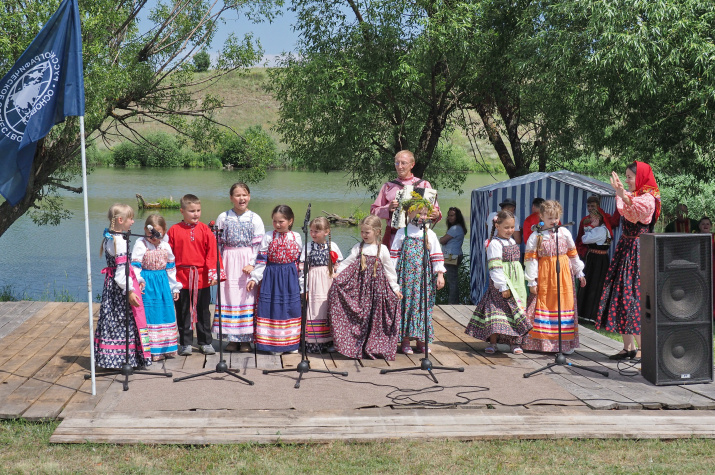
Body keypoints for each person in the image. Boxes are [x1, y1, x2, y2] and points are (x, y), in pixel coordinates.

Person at [596, 161, 661, 360]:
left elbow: (635, 211)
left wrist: (622, 194)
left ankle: (643, 348)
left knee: (633, 296)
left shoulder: (648, 199)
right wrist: (622, 194)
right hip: (626, 248)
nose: (626, 180)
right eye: (625, 177)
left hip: (639, 251)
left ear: (640, 177)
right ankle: (628, 347)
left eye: (630, 177)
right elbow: (627, 205)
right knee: (620, 293)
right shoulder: (634, 196)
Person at [327, 215, 403, 360]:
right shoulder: (359, 247)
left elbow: (390, 271)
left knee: (374, 318)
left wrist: (395, 289)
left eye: (367, 232)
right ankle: (350, 345)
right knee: (359, 317)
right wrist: (338, 273)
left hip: (377, 290)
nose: (364, 235)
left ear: (377, 232)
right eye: (362, 232)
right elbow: (347, 262)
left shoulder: (382, 249)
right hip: (360, 289)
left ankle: (372, 346)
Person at [523, 200, 586, 353]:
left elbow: (573, 254)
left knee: (564, 304)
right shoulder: (536, 235)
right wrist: (532, 281)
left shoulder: (564, 233)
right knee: (544, 304)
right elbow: (531, 260)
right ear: (541, 217)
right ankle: (542, 343)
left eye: (556, 217)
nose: (553, 221)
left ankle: (564, 344)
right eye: (550, 218)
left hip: (563, 274)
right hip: (545, 274)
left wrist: (579, 272)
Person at [465, 210, 532, 354]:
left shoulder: (512, 241)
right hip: (501, 282)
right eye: (506, 227)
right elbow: (495, 266)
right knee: (496, 312)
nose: (510, 230)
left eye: (512, 227)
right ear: (497, 226)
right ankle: (493, 343)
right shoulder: (495, 244)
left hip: (516, 281)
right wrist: (502, 286)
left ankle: (514, 343)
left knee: (516, 311)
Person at [94, 204, 152, 369]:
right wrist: (130, 290)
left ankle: (112, 357)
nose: (133, 222)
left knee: (114, 319)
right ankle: (124, 359)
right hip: (121, 287)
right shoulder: (118, 241)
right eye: (130, 218)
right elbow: (121, 272)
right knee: (123, 320)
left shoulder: (112, 237)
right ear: (120, 220)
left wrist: (137, 278)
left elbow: (126, 266)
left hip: (113, 285)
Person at [391, 192, 446, 355]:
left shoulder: (429, 234)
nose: (423, 217)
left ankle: (422, 340)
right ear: (409, 213)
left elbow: (436, 255)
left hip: (423, 279)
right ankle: (405, 341)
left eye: (425, 214)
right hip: (405, 279)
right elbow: (394, 257)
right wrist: (392, 279)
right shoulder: (402, 233)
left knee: (423, 306)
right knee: (406, 306)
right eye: (419, 213)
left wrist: (440, 274)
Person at [167, 194, 221, 357]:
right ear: (182, 211)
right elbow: (168, 255)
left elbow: (212, 253)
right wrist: (169, 277)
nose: (196, 214)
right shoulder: (174, 230)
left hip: (201, 277)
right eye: (192, 211)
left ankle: (205, 341)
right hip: (181, 278)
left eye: (198, 210)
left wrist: (213, 274)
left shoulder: (205, 230)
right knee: (183, 310)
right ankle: (185, 343)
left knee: (203, 310)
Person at [213, 183, 264, 352]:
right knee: (228, 296)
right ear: (231, 198)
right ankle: (232, 339)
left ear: (249, 196)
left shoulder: (255, 218)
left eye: (244, 195)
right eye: (237, 195)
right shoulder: (223, 217)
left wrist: (253, 264)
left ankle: (246, 340)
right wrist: (219, 265)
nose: (241, 198)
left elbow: (259, 246)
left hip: (246, 260)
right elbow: (217, 244)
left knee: (246, 297)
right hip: (228, 260)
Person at [247, 205, 302, 355]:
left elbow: (299, 260)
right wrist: (255, 278)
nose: (277, 225)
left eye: (281, 221)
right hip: (272, 276)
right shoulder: (268, 236)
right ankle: (273, 345)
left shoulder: (296, 236)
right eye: (274, 221)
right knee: (273, 308)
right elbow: (261, 260)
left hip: (290, 276)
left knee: (291, 308)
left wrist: (302, 280)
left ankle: (290, 344)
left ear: (290, 221)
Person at [131, 214, 181, 361]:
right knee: (150, 314)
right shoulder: (141, 244)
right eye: (150, 233)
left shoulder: (165, 246)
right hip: (147, 283)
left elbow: (171, 268)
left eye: (157, 233)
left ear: (164, 231)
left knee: (165, 312)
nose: (153, 237)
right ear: (145, 230)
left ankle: (166, 348)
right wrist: (139, 281)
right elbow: (135, 266)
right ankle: (152, 350)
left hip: (163, 283)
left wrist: (174, 287)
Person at [370, 150, 441, 246]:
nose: (399, 166)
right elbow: (373, 212)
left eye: (403, 163)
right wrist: (388, 209)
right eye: (397, 163)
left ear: (412, 165)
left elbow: (437, 213)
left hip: (418, 236)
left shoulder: (424, 185)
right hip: (394, 237)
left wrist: (435, 214)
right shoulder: (388, 186)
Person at [300, 217, 343, 353]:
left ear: (326, 232)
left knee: (328, 309)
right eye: (311, 231)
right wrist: (304, 287)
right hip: (313, 283)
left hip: (329, 282)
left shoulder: (332, 246)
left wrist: (337, 276)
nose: (313, 234)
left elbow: (340, 265)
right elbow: (302, 270)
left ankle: (331, 341)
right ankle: (314, 343)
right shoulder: (308, 247)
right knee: (314, 310)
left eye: (316, 231)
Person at [576, 207, 613, 323]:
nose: (590, 220)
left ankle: (589, 314)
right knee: (596, 284)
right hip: (601, 260)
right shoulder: (604, 230)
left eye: (592, 218)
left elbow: (585, 239)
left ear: (598, 218)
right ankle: (590, 314)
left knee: (592, 284)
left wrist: (590, 229)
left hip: (595, 261)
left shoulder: (599, 231)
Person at [439, 206, 467, 304]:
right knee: (453, 279)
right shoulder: (459, 228)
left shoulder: (455, 228)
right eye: (449, 215)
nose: (449, 217)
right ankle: (455, 301)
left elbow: (443, 240)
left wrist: (440, 239)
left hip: (451, 256)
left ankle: (452, 303)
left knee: (452, 281)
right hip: (455, 255)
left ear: (457, 217)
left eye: (452, 215)